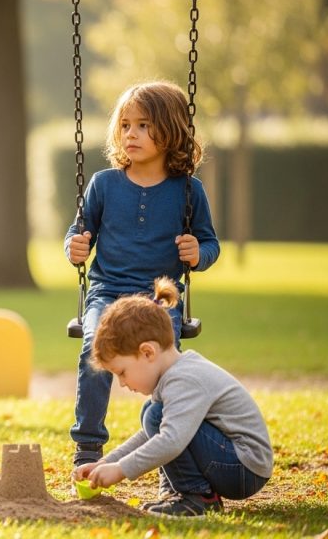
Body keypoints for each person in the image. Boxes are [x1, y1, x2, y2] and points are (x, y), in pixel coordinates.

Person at [65, 81, 220, 469]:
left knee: (165, 365)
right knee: (94, 349)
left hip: (159, 296)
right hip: (107, 291)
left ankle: (171, 446)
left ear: (170, 131)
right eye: (125, 125)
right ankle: (88, 445)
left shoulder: (188, 191)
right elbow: (76, 233)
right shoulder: (104, 184)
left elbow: (210, 244)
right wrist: (74, 247)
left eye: (144, 125)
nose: (131, 134)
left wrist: (198, 254)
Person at [71, 277, 272, 517]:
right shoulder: (173, 376)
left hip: (243, 468)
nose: (122, 383)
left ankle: (197, 498)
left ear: (148, 352)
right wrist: (107, 463)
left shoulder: (184, 379)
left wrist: (121, 470)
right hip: (234, 462)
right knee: (152, 413)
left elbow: (171, 440)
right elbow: (149, 435)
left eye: (122, 372)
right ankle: (191, 494)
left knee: (155, 416)